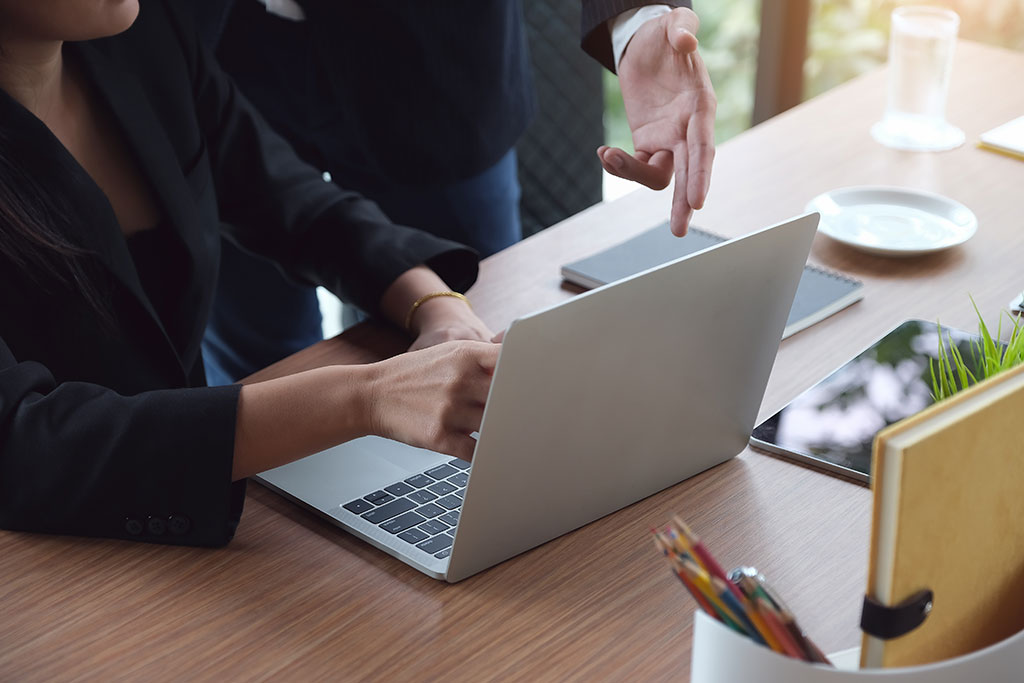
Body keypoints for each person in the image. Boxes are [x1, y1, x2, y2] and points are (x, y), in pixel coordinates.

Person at [0, 0, 502, 546]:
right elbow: (21, 444)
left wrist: (435, 307)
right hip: (48, 563)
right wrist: (366, 397)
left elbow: (286, 194)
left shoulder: (143, 34)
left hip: (195, 518)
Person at [193, 0, 717, 386]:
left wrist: (636, 17)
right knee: (258, 368)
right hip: (214, 52)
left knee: (474, 348)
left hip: (435, 64)